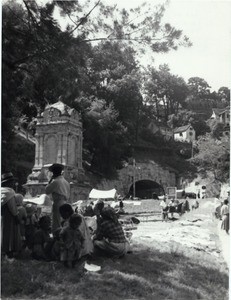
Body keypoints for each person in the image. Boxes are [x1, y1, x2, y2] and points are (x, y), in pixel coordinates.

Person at [1, 172, 22, 258]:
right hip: (9, 215)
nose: (13, 183)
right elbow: (12, 206)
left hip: (1, 214)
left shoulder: (1, 191)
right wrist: (16, 215)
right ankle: (8, 251)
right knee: (9, 233)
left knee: (2, 231)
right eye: (11, 181)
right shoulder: (10, 192)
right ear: (8, 183)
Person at [45, 163, 70, 233]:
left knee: (56, 222)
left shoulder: (55, 182)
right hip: (65, 202)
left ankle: (57, 236)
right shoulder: (66, 182)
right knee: (63, 221)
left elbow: (47, 190)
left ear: (54, 172)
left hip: (58, 203)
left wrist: (50, 181)